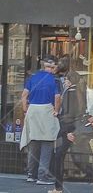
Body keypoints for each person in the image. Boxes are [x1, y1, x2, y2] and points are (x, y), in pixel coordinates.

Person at [49, 56, 93, 193]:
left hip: (68, 128)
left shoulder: (70, 93)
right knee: (79, 158)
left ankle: (57, 187)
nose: (64, 82)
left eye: (66, 80)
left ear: (70, 81)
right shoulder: (79, 92)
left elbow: (70, 114)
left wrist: (67, 132)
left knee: (58, 156)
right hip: (74, 128)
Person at [20, 56, 61, 185]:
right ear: (50, 67)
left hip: (32, 110)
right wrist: (56, 110)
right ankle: (42, 176)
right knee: (47, 143)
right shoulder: (55, 80)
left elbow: (24, 95)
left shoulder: (32, 78)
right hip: (47, 110)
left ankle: (31, 174)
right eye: (54, 67)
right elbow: (57, 97)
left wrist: (25, 109)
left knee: (34, 142)